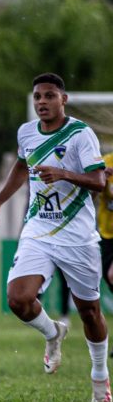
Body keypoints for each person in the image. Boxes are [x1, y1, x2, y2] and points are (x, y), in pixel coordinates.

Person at [0, 72, 111, 402]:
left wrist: (64, 173)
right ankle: (53, 332)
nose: (42, 102)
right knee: (17, 298)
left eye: (49, 96)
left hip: (78, 237)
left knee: (90, 312)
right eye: (38, 96)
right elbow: (21, 167)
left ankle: (99, 376)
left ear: (63, 100)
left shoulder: (81, 135)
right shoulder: (27, 132)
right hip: (38, 230)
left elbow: (99, 181)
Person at [96, 151, 113, 355]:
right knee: (109, 280)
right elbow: (92, 192)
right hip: (107, 234)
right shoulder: (105, 161)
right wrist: (101, 181)